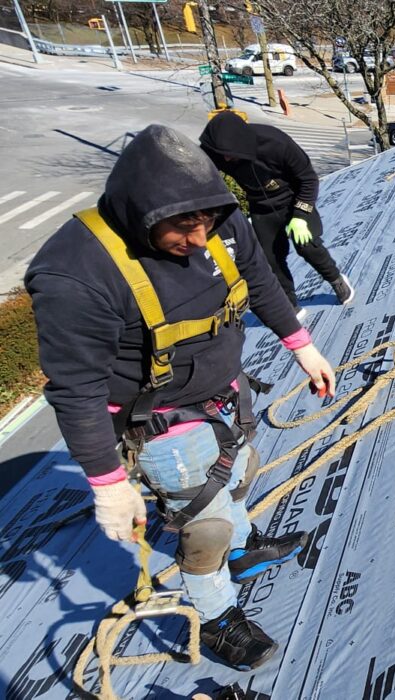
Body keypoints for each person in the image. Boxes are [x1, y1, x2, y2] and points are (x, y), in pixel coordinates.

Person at [25, 125, 338, 671]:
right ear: (139, 212)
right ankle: (217, 619)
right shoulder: (77, 273)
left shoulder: (213, 217)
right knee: (204, 525)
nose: (197, 241)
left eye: (206, 224)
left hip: (221, 393)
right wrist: (107, 483)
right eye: (180, 228)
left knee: (237, 477)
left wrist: (303, 348)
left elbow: (258, 280)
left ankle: (242, 550)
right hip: (160, 420)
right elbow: (75, 389)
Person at [200, 111, 354, 321]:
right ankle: (290, 305)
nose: (226, 159)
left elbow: (308, 178)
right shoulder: (215, 152)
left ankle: (336, 279)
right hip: (261, 205)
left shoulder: (275, 142)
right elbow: (198, 170)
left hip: (292, 197)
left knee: (306, 244)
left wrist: (300, 214)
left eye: (230, 154)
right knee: (270, 258)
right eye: (222, 154)